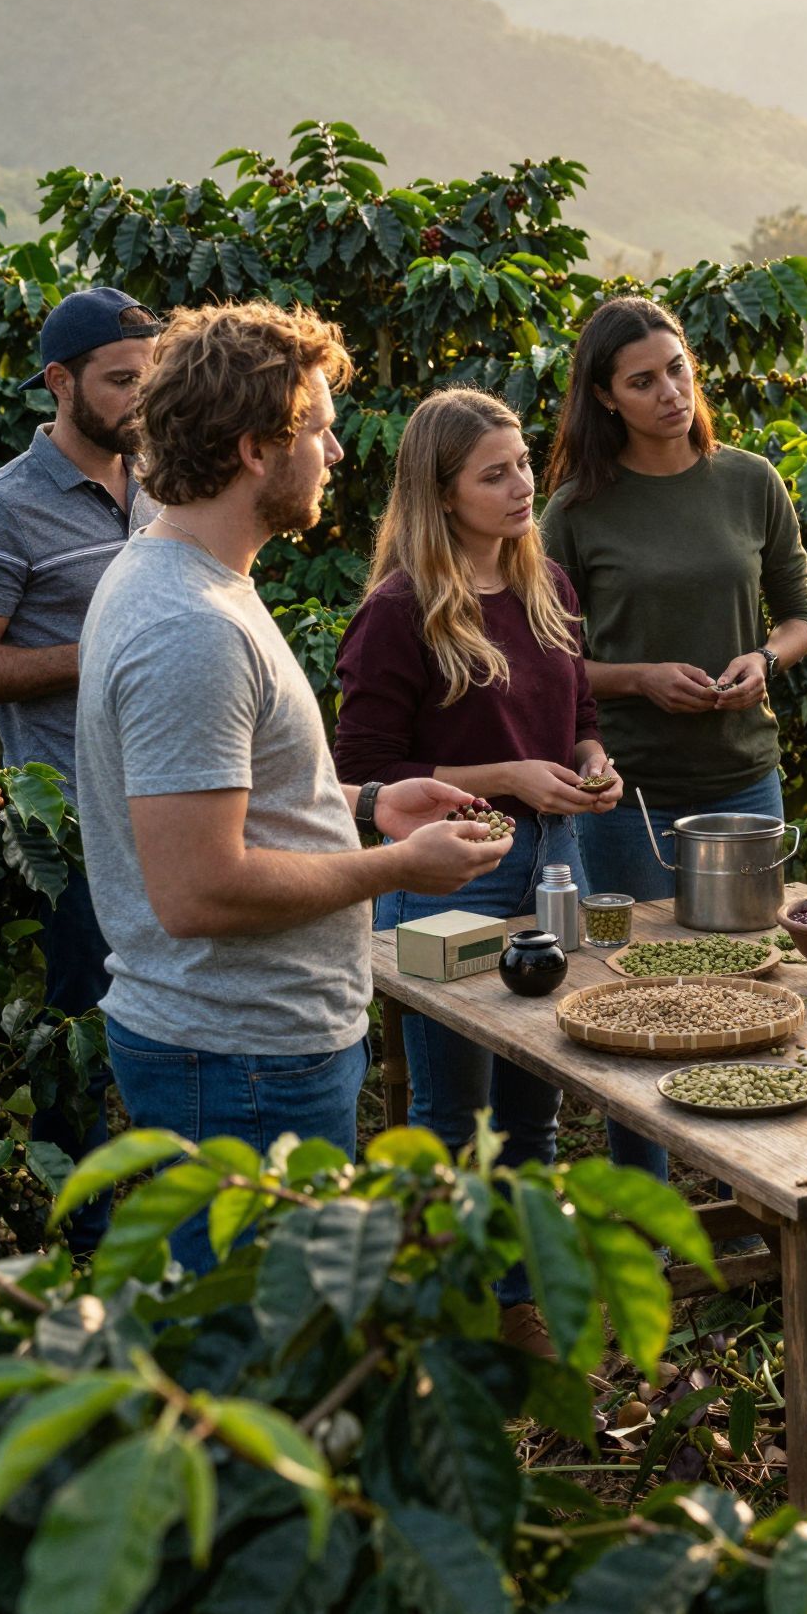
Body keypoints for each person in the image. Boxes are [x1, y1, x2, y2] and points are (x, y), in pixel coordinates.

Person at [75, 301, 506, 1271]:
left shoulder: (192, 579)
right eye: (316, 427)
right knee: (267, 1370)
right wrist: (396, 862)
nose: (337, 452)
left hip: (247, 1046)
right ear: (255, 448)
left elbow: (235, 806)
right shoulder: (189, 625)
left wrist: (363, 806)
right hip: (238, 1061)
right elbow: (198, 888)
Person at [334, 387, 665, 1350]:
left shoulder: (547, 586)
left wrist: (591, 763)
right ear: (440, 493)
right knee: (450, 1108)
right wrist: (509, 776)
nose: (524, 485)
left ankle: (515, 1302)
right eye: (496, 473)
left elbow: (578, 719)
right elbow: (362, 775)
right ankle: (445, 1308)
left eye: (524, 463)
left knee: (535, 1096)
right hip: (452, 872)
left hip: (551, 861)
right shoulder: (399, 611)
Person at [539, 294, 807, 899]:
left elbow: (800, 616)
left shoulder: (751, 480)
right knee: (642, 976)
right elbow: (548, 661)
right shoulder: (576, 509)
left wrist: (766, 660)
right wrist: (641, 679)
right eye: (642, 381)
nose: (670, 392)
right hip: (629, 788)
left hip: (745, 777)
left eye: (677, 368)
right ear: (606, 398)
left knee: (752, 958)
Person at [0, 285, 161, 1240]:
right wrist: (104, 648)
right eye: (120, 381)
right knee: (82, 1029)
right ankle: (85, 1244)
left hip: (171, 799)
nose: (141, 399)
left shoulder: (162, 483)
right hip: (74, 820)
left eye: (151, 379)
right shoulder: (9, 510)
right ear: (60, 382)